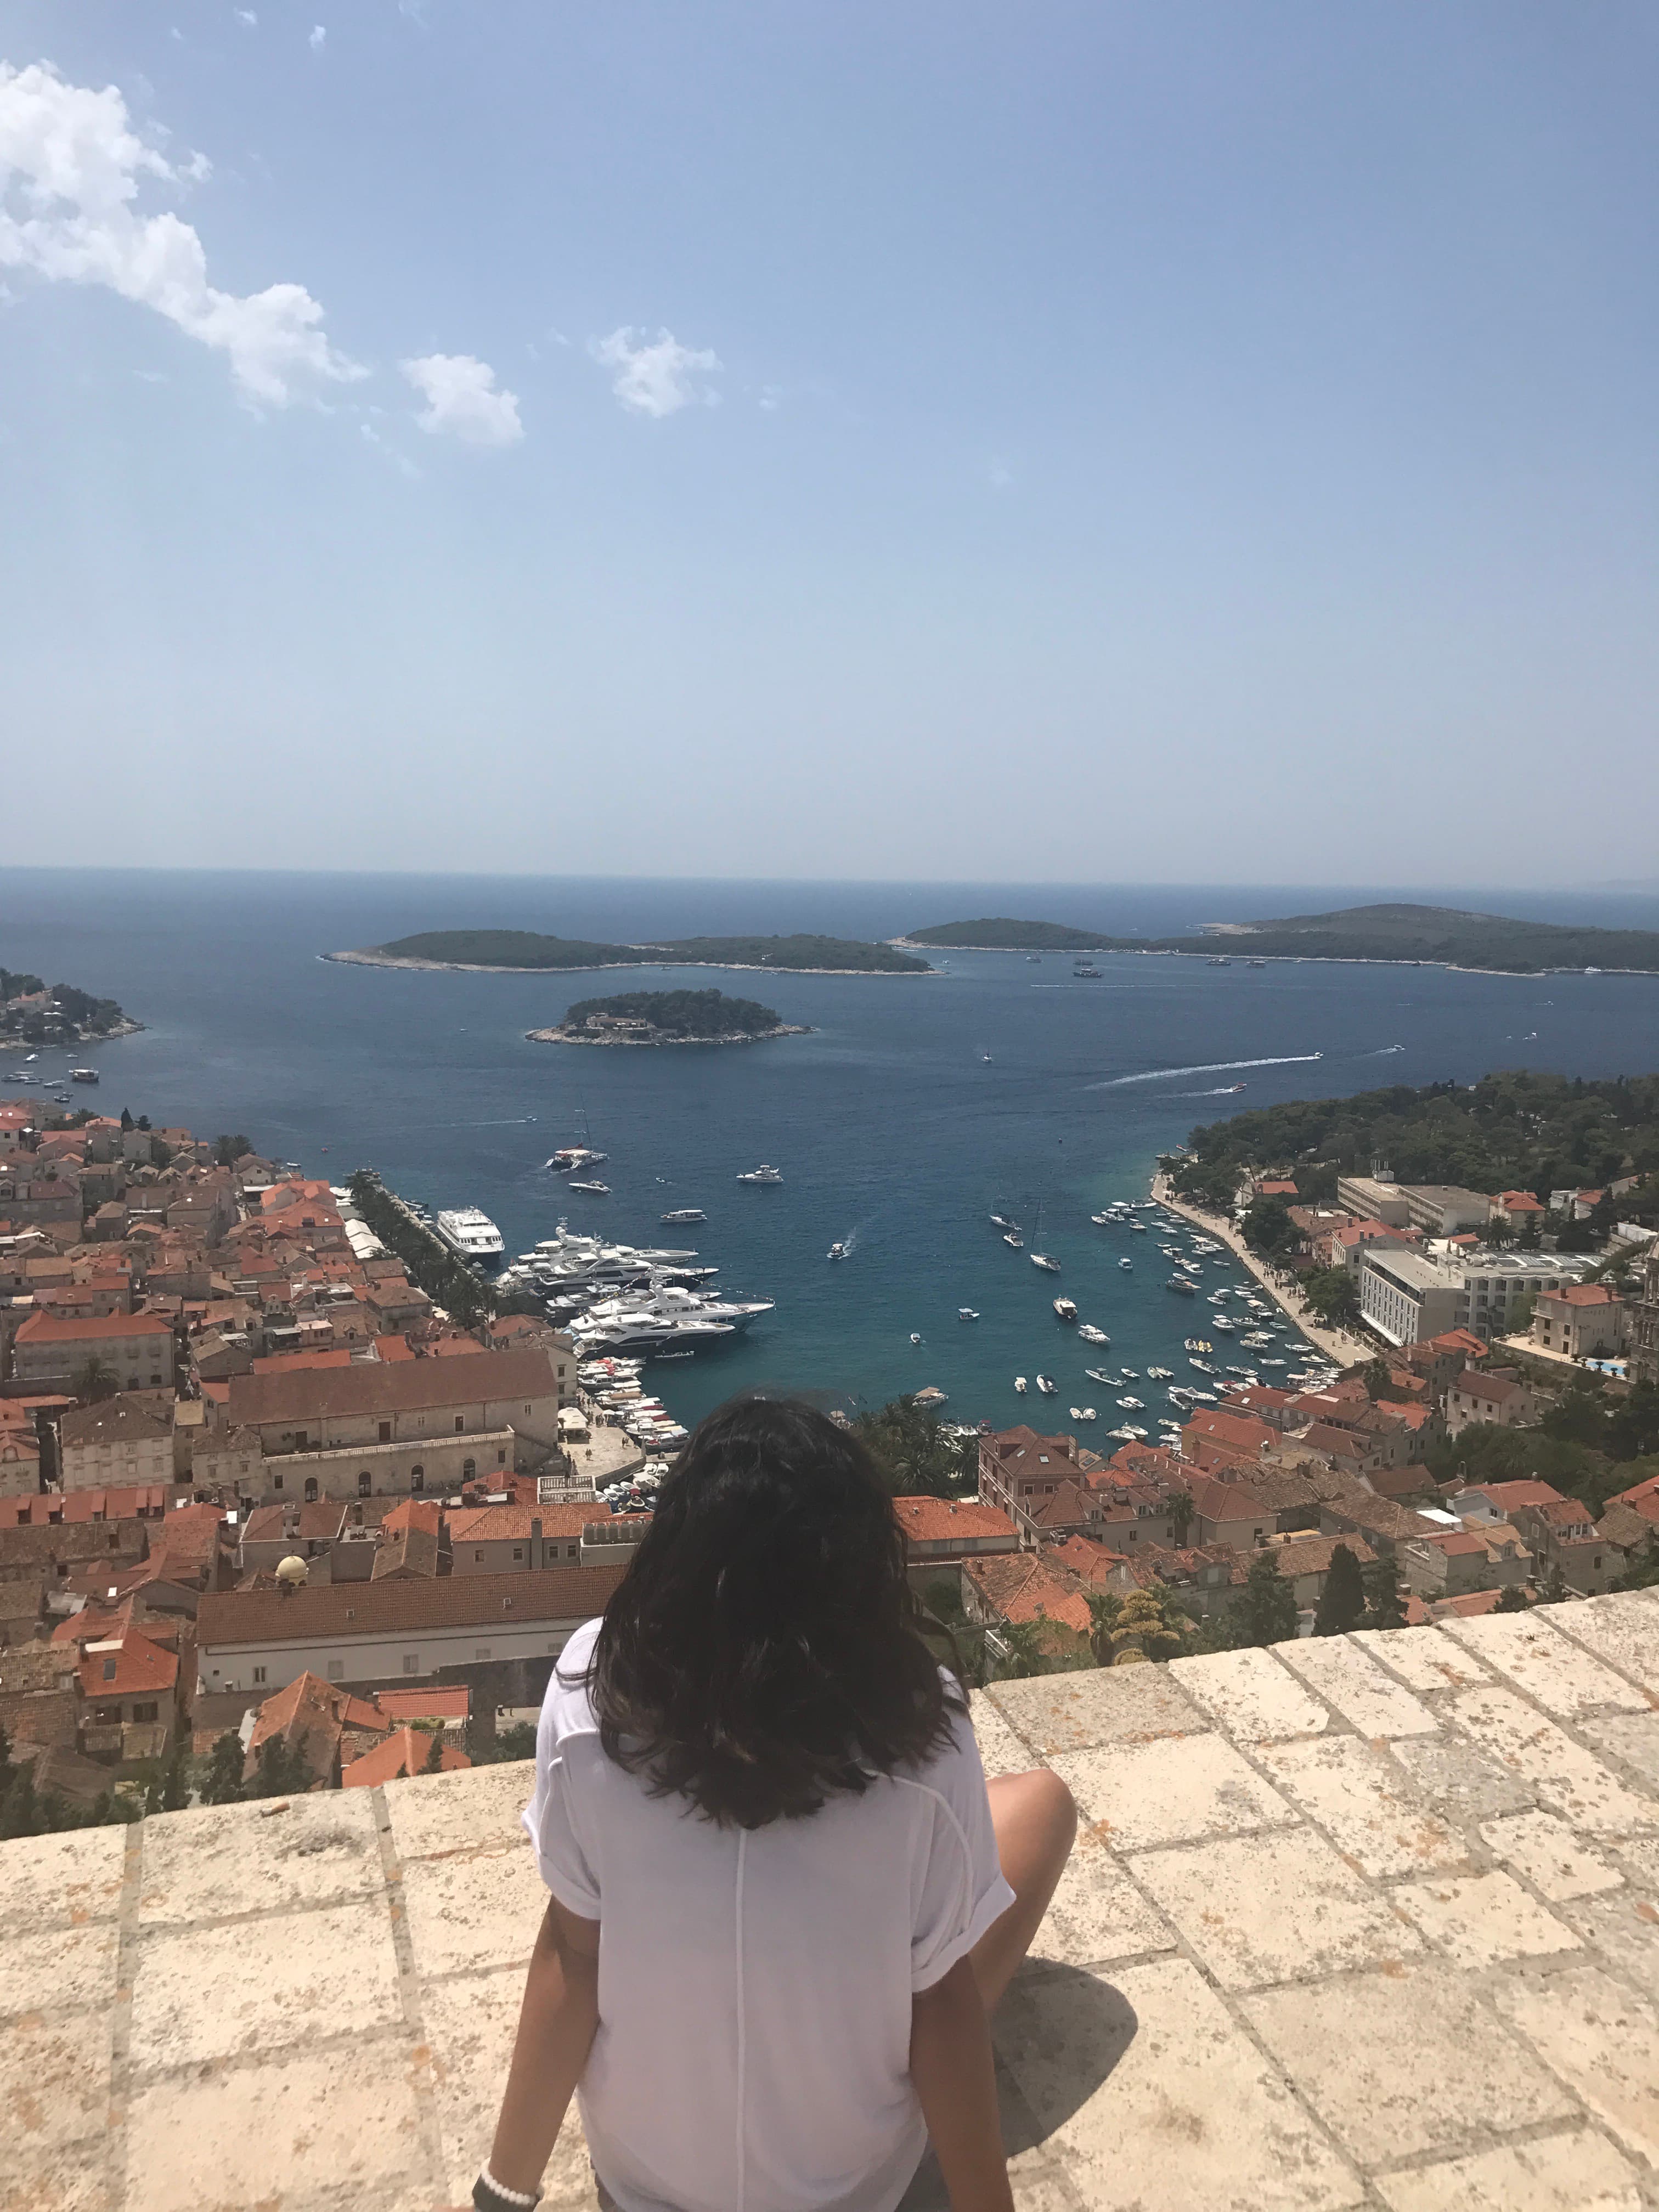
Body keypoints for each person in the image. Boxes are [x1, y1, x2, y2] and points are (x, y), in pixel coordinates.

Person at [476, 1396, 1076, 2212]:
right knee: (1039, 1805)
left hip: (643, 2185)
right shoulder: (920, 1727)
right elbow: (943, 2007)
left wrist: (501, 2193)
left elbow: (572, 1962)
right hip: (852, 2190)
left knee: (590, 1922)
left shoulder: (591, 1696)